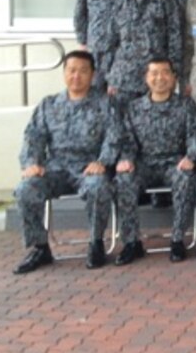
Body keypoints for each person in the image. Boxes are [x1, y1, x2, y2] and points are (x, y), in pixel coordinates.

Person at [12, 51, 120, 274]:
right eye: (71, 70)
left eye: (83, 71)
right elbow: (33, 136)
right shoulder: (49, 105)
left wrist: (103, 162)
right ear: (64, 73)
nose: (76, 76)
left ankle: (96, 243)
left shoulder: (106, 103)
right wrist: (32, 162)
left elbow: (115, 137)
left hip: (90, 168)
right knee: (25, 189)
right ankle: (40, 248)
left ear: (92, 75)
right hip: (56, 169)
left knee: (98, 187)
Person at [114, 57, 196, 264]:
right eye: (154, 73)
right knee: (123, 179)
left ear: (174, 78)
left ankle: (178, 240)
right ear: (146, 78)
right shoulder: (133, 108)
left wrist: (191, 157)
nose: (159, 78)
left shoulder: (186, 105)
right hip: (143, 163)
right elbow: (125, 139)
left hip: (175, 163)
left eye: (164, 73)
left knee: (186, 178)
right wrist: (126, 159)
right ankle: (131, 243)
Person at [106, 0, 183, 99]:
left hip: (156, 79)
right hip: (123, 79)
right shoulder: (120, 1)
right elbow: (111, 41)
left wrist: (174, 74)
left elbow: (175, 40)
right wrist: (110, 77)